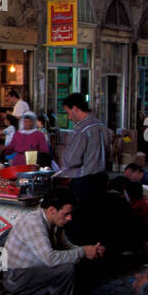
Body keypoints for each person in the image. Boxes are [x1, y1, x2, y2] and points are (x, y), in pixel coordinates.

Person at [2, 187, 104, 295]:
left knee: (79, 265)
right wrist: (83, 252)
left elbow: (66, 247)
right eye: (66, 214)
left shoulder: (54, 222)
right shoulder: (34, 223)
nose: (70, 218)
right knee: (66, 269)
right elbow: (50, 258)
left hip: (36, 273)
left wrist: (89, 250)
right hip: (16, 277)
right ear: (51, 210)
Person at [55, 93, 110, 242]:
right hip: (101, 180)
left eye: (68, 112)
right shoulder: (102, 126)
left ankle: (82, 255)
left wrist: (63, 154)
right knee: (96, 222)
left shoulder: (82, 130)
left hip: (83, 183)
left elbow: (72, 160)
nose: (69, 117)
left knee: (80, 224)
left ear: (75, 108)